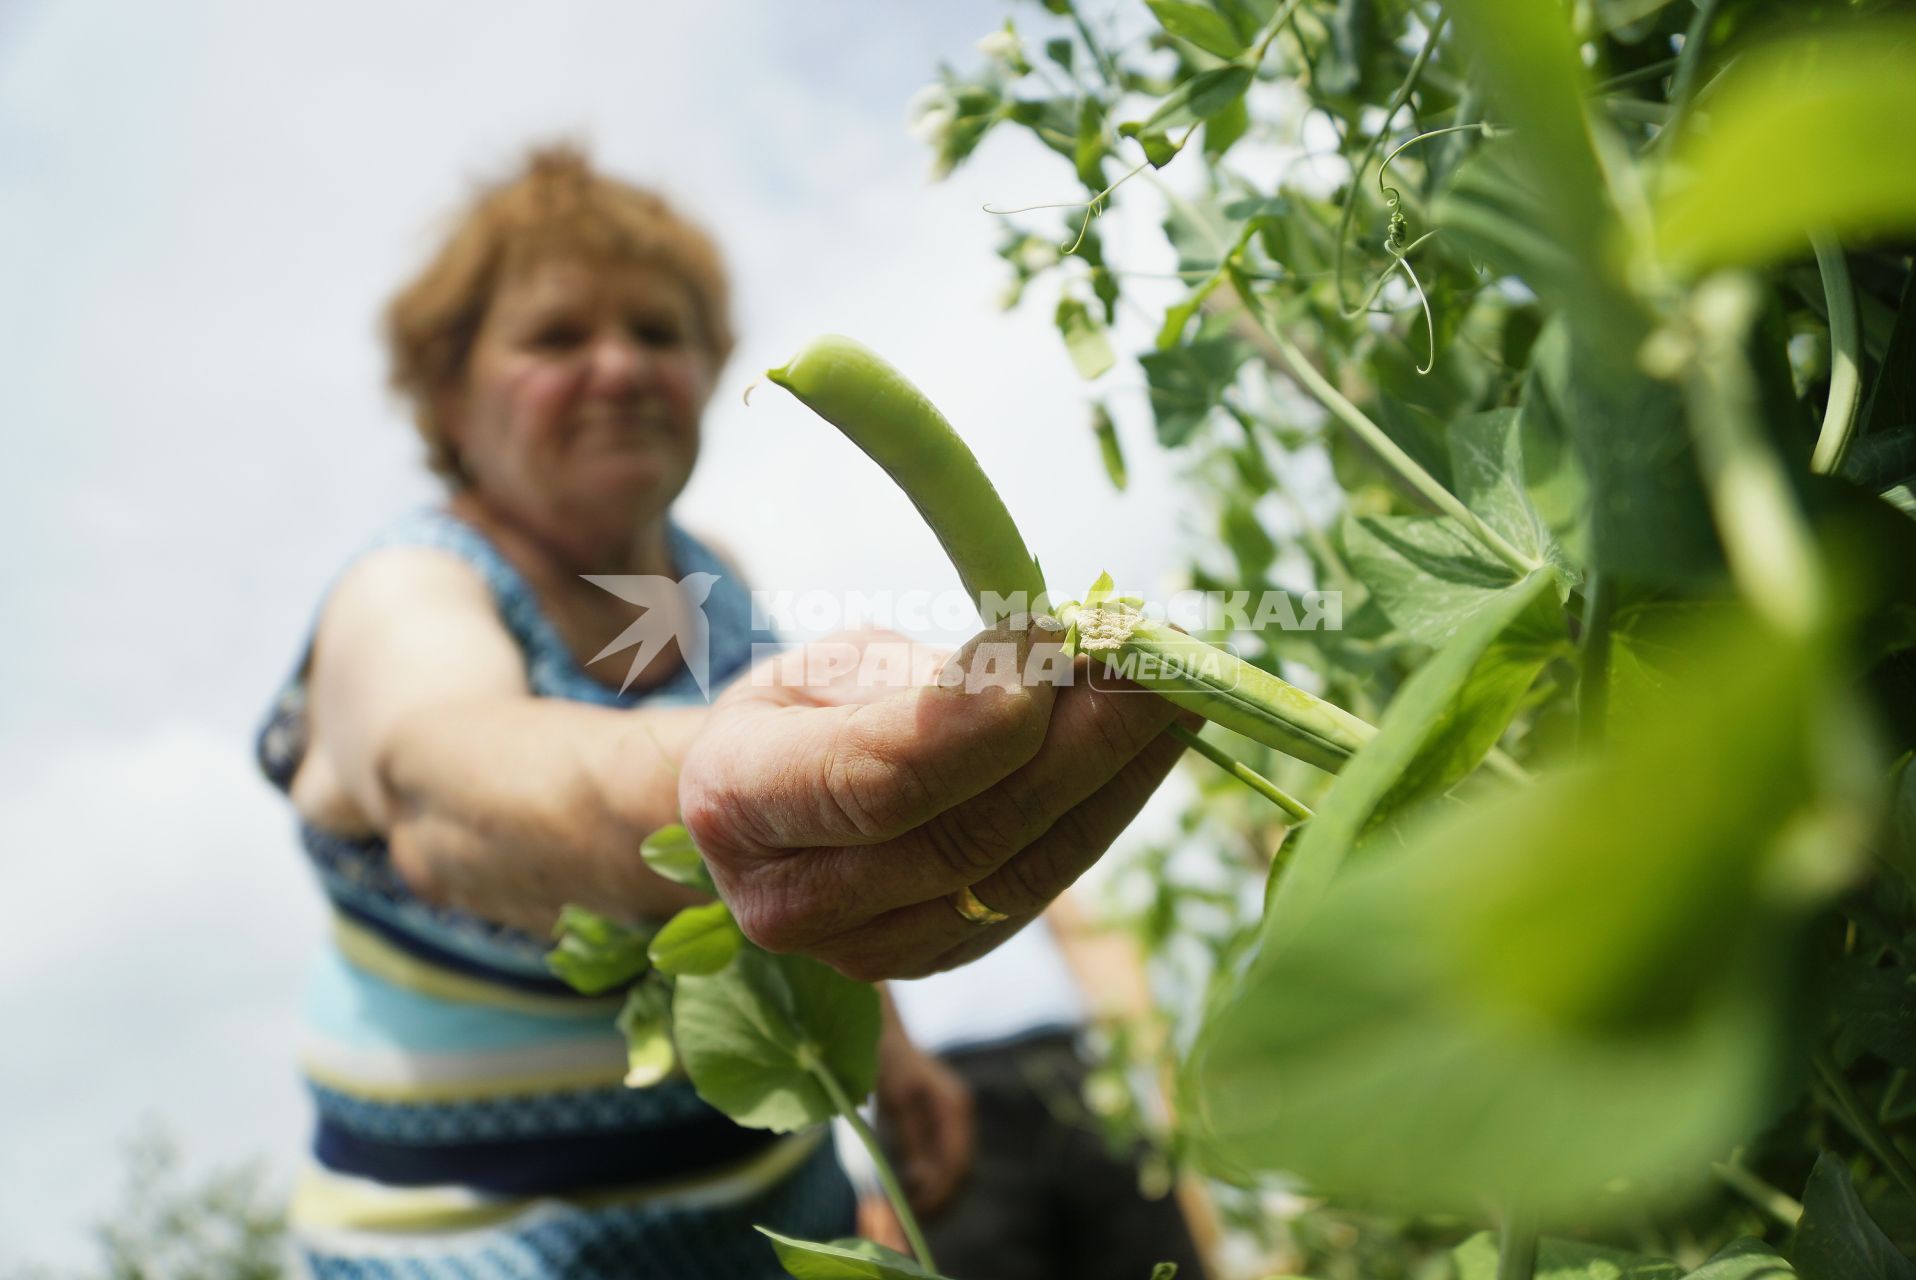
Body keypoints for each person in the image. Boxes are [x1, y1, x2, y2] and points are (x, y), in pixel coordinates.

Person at [256, 143, 1189, 1277]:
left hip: (766, 1225)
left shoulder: (712, 590)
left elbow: (796, 900)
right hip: (474, 1250)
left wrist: (885, 1049)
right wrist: (713, 788)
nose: (618, 366)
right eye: (555, 337)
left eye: (659, 332)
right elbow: (452, 783)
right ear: (449, 395)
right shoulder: (407, 585)